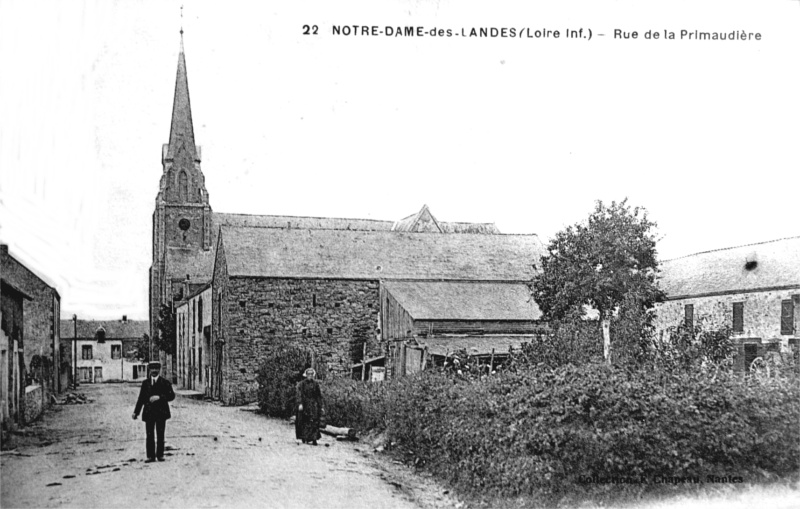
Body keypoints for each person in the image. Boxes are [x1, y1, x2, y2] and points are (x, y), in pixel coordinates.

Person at [132, 362, 175, 462]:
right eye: (152, 369)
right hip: (149, 413)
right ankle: (150, 456)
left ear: (159, 370)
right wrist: (136, 412)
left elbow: (171, 396)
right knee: (149, 434)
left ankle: (160, 455)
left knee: (160, 434)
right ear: (149, 370)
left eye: (156, 369)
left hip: (161, 412)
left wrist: (159, 397)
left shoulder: (165, 383)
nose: (154, 371)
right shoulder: (145, 383)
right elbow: (141, 398)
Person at [295, 368, 324, 445]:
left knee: (314, 421)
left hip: (313, 405)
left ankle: (314, 439)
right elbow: (299, 394)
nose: (310, 376)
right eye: (308, 374)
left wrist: (320, 406)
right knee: (305, 421)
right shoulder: (302, 384)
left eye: (311, 374)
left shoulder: (316, 384)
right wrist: (300, 404)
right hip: (305, 404)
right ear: (306, 375)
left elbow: (318, 396)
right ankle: (305, 437)